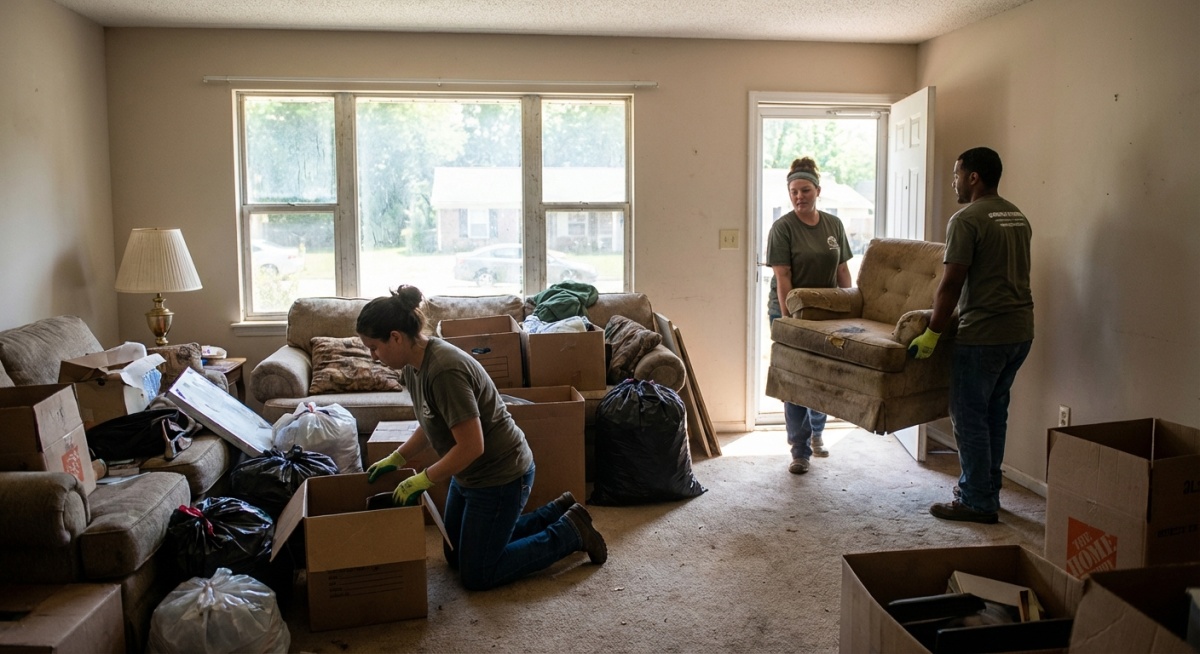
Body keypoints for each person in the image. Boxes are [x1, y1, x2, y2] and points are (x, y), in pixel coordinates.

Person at [357, 285, 607, 590]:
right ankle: (554, 512)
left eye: (374, 347)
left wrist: (422, 479)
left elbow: (473, 446)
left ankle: (570, 532)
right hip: (469, 477)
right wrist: (398, 457)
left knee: (478, 573)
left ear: (395, 337)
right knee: (454, 553)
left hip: (501, 475)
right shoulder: (412, 367)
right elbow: (430, 421)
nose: (373, 356)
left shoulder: (443, 371)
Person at [909, 147, 1033, 524]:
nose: (954, 181)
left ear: (973, 177)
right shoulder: (1017, 216)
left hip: (984, 335)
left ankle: (977, 501)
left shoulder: (966, 219)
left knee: (968, 417)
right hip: (1020, 332)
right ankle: (987, 489)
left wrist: (932, 332)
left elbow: (951, 283)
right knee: (995, 413)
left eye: (956, 173)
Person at [766, 157, 853, 474]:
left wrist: (850, 307)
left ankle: (817, 434)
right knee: (795, 382)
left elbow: (843, 270)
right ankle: (799, 450)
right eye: (793, 192)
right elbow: (783, 278)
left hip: (826, 310)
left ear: (818, 190)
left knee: (823, 378)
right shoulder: (783, 228)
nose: (799, 196)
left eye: (805, 190)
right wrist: (790, 321)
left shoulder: (834, 225)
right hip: (789, 309)